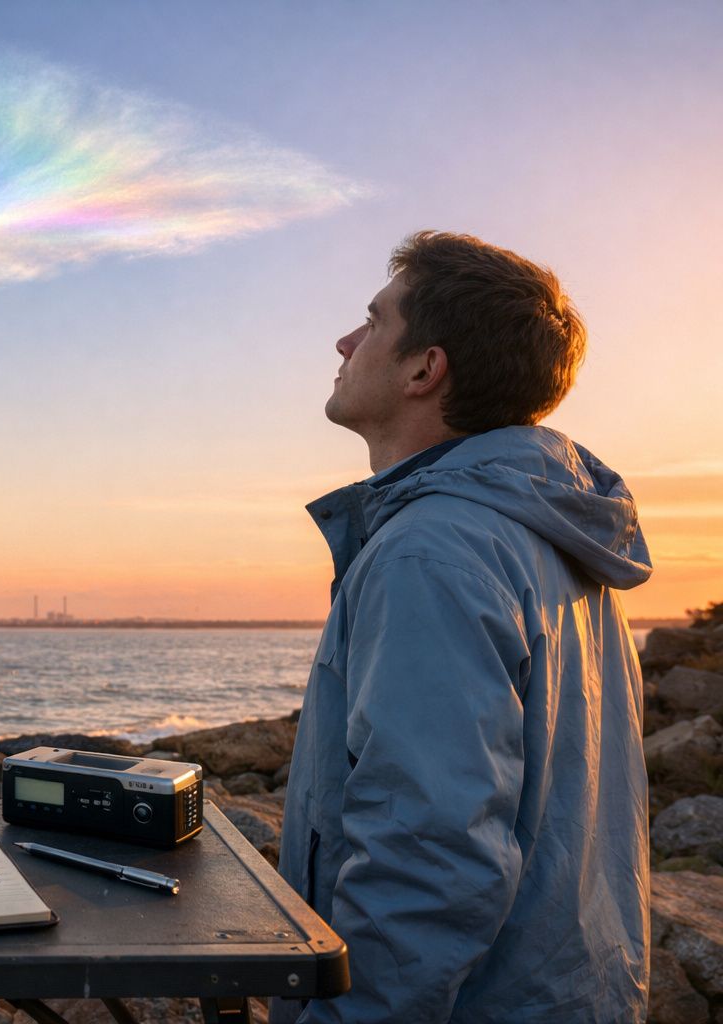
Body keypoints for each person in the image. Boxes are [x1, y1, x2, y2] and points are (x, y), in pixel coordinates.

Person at [271, 231, 652, 1022]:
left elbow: (430, 852)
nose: (345, 341)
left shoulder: (431, 551)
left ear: (424, 368)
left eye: (373, 321)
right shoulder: (550, 534)